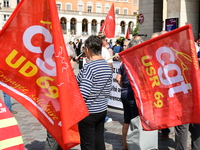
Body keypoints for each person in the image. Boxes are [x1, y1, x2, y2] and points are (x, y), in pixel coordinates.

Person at [77, 35, 112, 150]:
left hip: (88, 112)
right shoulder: (107, 66)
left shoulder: (89, 67)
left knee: (88, 145)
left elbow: (84, 93)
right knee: (99, 141)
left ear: (87, 49)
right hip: (101, 109)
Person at [44, 43, 76, 150]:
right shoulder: (55, 68)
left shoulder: (62, 67)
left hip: (63, 105)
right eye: (70, 59)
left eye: (72, 59)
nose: (72, 62)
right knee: (53, 135)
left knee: (63, 135)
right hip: (55, 105)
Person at [116, 38, 143, 150]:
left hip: (125, 93)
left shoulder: (125, 61)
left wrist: (124, 87)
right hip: (134, 94)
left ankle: (125, 146)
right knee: (136, 121)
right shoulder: (141, 61)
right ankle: (135, 145)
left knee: (127, 120)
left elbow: (118, 79)